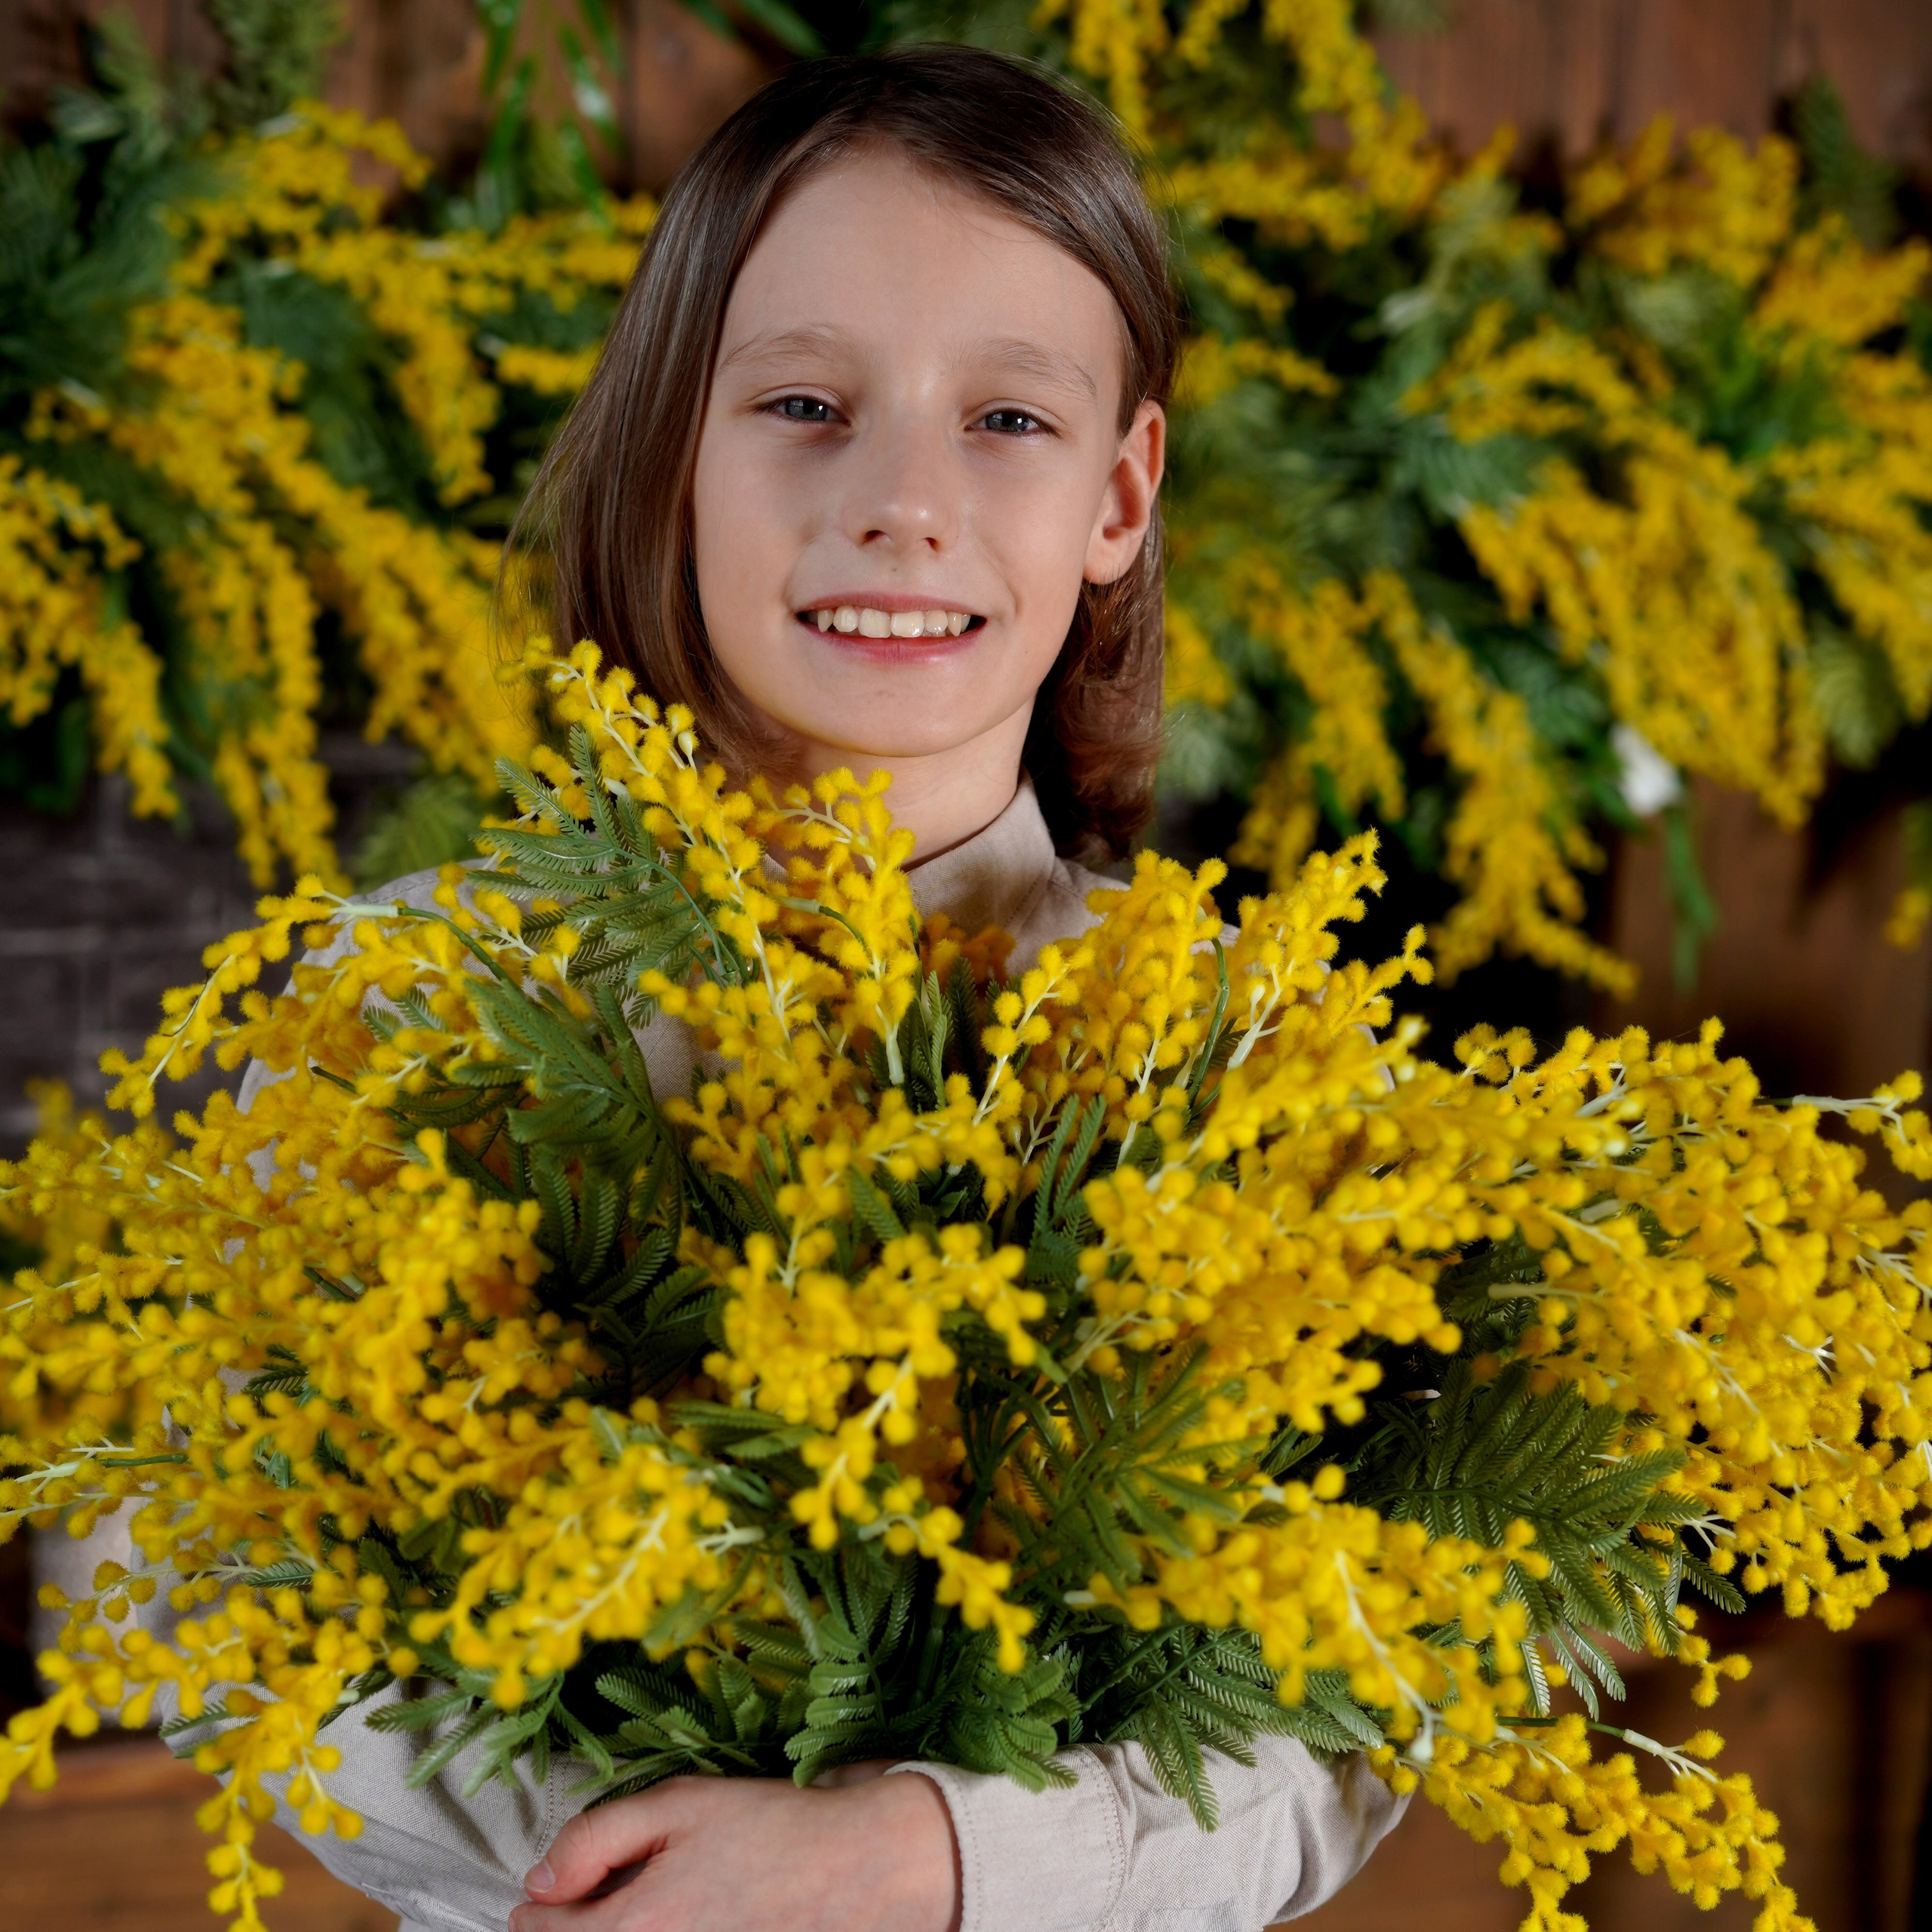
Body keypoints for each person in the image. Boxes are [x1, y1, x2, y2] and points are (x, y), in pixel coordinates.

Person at [225, 45, 1407, 1932]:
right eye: (798, 401)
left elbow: (1351, 1720)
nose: (900, 500)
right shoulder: (403, 999)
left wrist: (924, 1859)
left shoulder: (1241, 1053)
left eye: (1006, 422)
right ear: (668, 447)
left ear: (1120, 496)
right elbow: (220, 1588)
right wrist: (633, 1861)